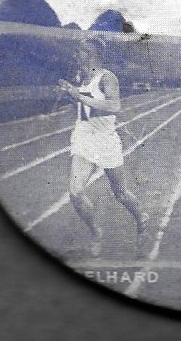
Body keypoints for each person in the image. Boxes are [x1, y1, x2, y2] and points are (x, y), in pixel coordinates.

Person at [59, 38, 148, 257]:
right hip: (84, 138)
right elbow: (85, 108)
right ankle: (96, 232)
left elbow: (114, 106)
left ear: (93, 54)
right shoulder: (81, 77)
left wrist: (79, 96)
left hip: (106, 141)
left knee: (121, 193)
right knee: (75, 193)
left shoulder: (107, 78)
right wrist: (72, 96)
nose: (77, 54)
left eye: (82, 50)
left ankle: (140, 216)